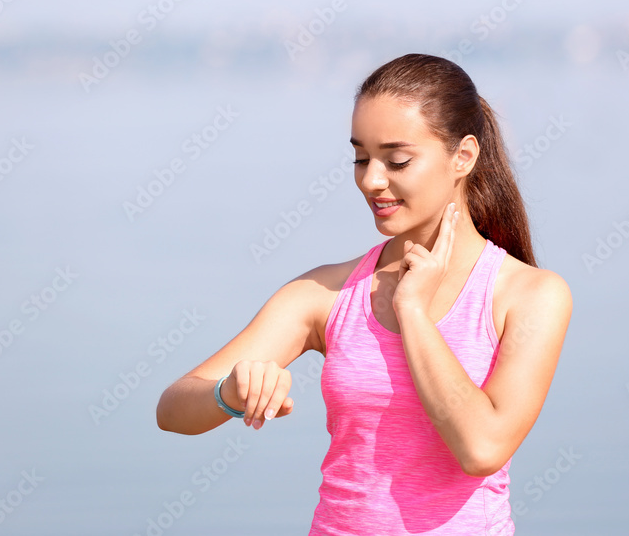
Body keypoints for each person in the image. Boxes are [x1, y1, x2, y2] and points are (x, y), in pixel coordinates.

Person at [156, 53, 573, 534]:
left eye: (397, 160)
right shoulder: (325, 293)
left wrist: (412, 311)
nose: (371, 181)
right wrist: (228, 393)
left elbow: (482, 449)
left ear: (463, 156)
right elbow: (173, 410)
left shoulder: (530, 295)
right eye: (360, 158)